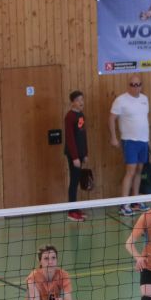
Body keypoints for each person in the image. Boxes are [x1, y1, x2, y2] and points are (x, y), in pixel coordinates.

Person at [109, 74, 151, 217]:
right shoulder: (121, 100)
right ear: (128, 86)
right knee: (130, 171)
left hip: (143, 141)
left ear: (141, 86)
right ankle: (124, 204)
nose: (135, 87)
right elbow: (111, 118)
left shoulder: (145, 99)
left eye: (138, 84)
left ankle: (136, 201)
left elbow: (143, 119)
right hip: (129, 141)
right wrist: (113, 137)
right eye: (132, 85)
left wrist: (146, 140)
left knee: (139, 170)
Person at [64, 90, 90, 222]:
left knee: (77, 181)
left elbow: (82, 135)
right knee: (73, 182)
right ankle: (71, 211)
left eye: (82, 99)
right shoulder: (69, 117)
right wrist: (75, 157)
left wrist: (85, 154)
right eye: (78, 100)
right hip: (73, 155)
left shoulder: (81, 115)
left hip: (80, 154)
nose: (81, 102)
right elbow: (70, 139)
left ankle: (75, 208)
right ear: (72, 102)